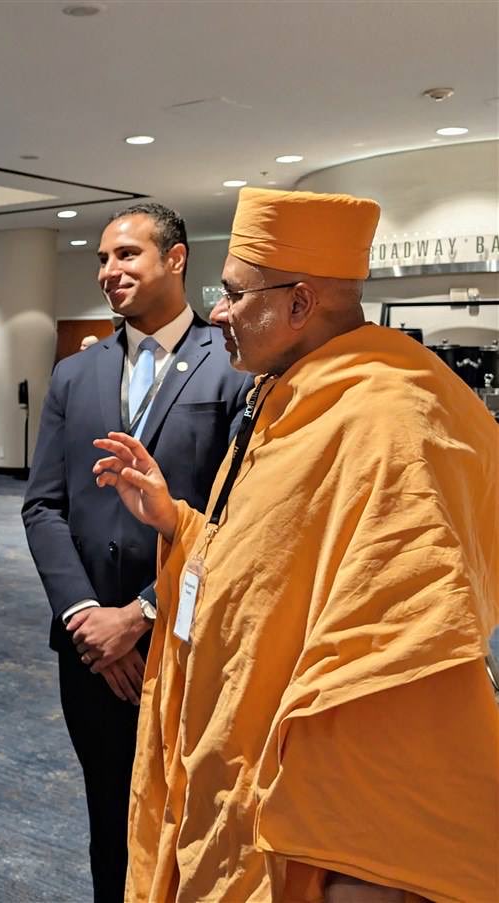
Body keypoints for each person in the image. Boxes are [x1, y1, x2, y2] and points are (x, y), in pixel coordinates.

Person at [95, 187, 499, 903]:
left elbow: (399, 649)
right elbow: (270, 559)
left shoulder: (390, 417)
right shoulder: (291, 391)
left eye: (232, 294)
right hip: (227, 749)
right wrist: (179, 524)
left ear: (300, 302)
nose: (216, 312)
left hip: (297, 801)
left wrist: (354, 869)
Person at [22, 202, 250, 900]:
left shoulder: (233, 368)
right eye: (100, 258)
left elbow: (239, 515)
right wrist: (89, 616)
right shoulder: (73, 374)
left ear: (175, 260)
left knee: (191, 819)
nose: (107, 271)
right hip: (90, 652)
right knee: (108, 818)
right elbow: (43, 504)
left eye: (126, 255)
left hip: (185, 642)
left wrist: (141, 615)